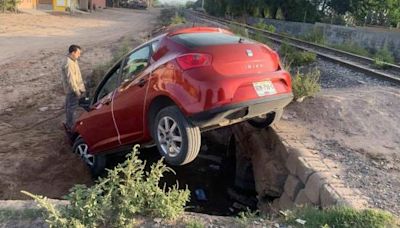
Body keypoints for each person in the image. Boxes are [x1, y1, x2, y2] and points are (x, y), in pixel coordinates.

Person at [61, 44, 86, 131]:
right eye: (78, 53)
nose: (79, 55)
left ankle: (69, 124)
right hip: (73, 90)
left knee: (69, 107)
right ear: (73, 52)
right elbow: (71, 80)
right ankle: (71, 127)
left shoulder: (73, 60)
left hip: (73, 89)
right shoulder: (69, 63)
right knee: (71, 108)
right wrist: (77, 92)